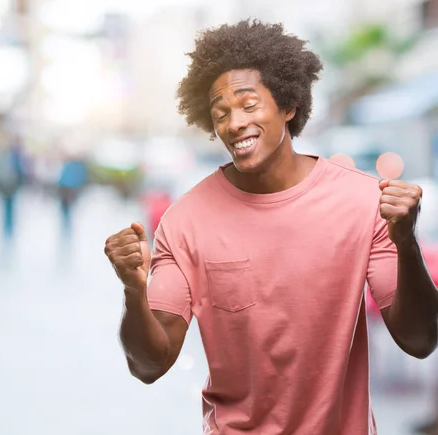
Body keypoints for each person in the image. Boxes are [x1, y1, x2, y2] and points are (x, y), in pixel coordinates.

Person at [103, 20, 438, 434]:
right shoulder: (185, 220)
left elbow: (421, 340)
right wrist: (133, 291)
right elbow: (148, 364)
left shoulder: (363, 202)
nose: (234, 123)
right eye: (220, 113)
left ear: (288, 105)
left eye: (248, 104)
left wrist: (407, 244)